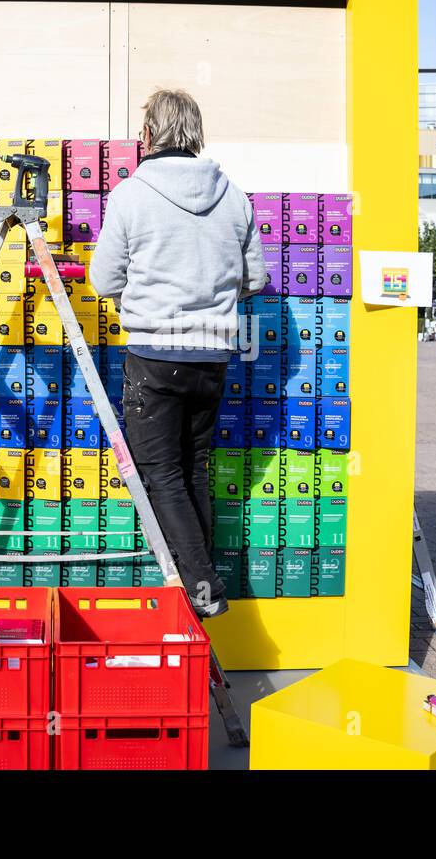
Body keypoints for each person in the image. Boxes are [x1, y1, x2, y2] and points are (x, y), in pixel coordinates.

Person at [90, 88, 268, 619]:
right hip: (213, 355)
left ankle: (202, 586)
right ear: (195, 133)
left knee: (159, 472)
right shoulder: (233, 195)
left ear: (148, 136)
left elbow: (102, 278)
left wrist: (139, 296)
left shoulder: (131, 194)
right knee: (194, 470)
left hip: (153, 353)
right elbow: (254, 278)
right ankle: (202, 582)